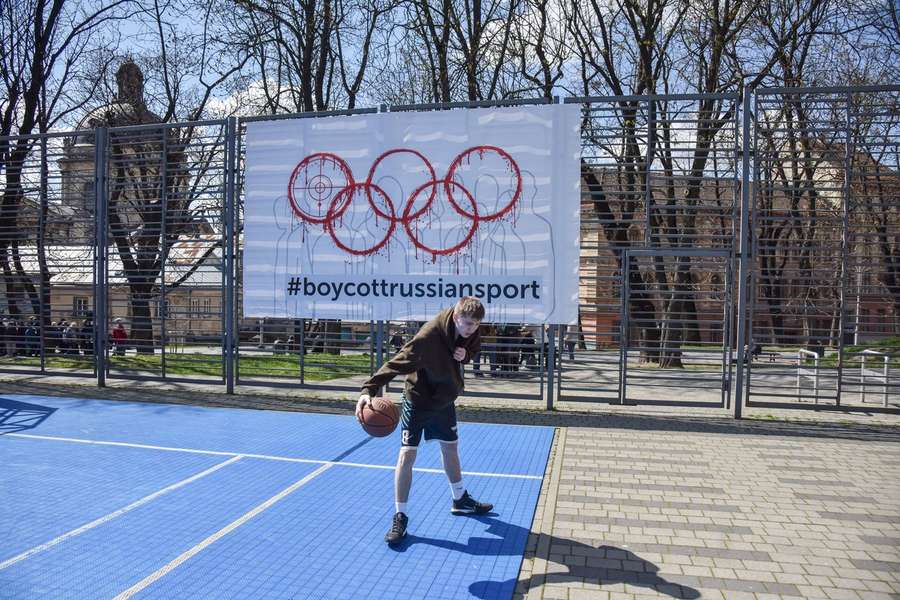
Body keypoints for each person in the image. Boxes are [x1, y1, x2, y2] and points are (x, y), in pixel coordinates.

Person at [356, 296, 494, 546]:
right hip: (418, 400)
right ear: (455, 316)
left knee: (450, 448)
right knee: (407, 455)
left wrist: (466, 355)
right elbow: (397, 361)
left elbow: (474, 347)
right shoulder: (429, 337)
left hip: (443, 400)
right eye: (466, 324)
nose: (470, 329)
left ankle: (460, 499)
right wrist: (369, 389)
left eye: (475, 325)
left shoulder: (472, 327)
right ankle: (400, 515)